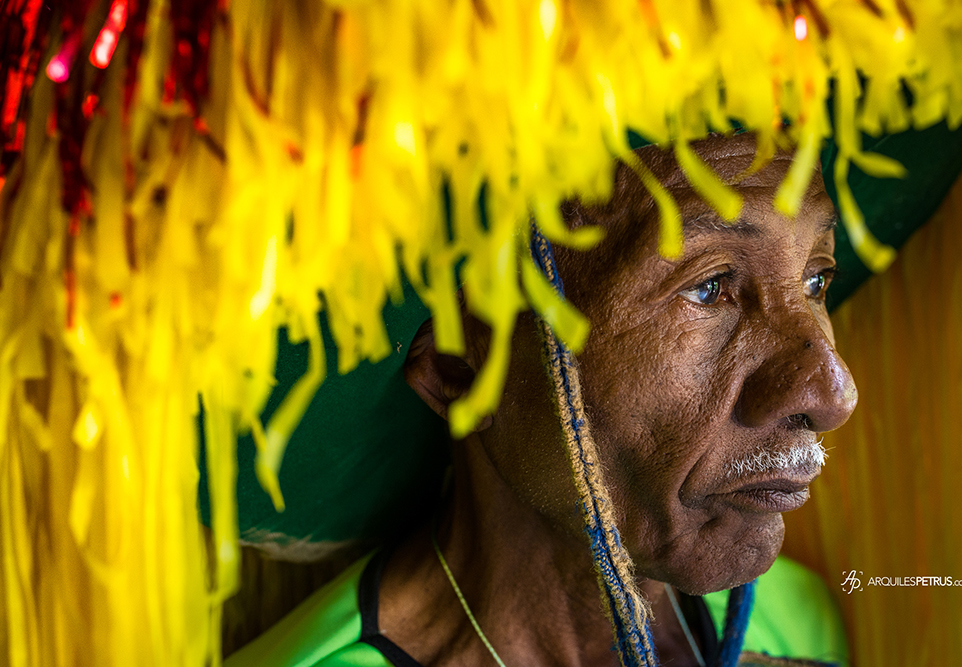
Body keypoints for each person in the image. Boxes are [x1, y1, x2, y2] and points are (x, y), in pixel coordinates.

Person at [226, 131, 857, 667]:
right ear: (460, 365)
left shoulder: (794, 623)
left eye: (814, 279)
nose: (833, 392)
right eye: (710, 286)